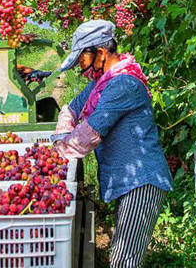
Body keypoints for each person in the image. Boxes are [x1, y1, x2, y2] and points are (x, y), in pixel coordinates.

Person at [53, 20, 172, 268]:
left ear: (101, 53)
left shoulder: (123, 84)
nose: (81, 69)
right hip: (126, 181)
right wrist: (63, 133)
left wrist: (55, 154)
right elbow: (70, 109)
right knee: (123, 256)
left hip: (141, 181)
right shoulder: (102, 82)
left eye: (82, 62)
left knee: (123, 261)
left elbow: (89, 135)